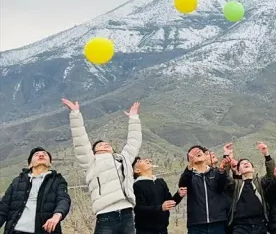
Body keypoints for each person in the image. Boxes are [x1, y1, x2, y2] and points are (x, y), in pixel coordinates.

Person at [63, 98, 141, 234]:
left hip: (127, 213)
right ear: (94, 151)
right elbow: (81, 141)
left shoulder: (123, 160)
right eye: (100, 144)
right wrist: (75, 115)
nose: (105, 144)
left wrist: (134, 118)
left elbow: (134, 142)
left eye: (107, 144)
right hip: (105, 215)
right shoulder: (91, 162)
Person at [0, 147, 71, 234]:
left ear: (50, 164)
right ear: (30, 164)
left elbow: (63, 199)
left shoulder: (58, 180)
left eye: (44, 154)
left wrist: (57, 215)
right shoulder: (18, 181)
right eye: (36, 155)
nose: (41, 155)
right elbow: (3, 208)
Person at [179, 144, 231, 234]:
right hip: (196, 225)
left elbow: (222, 187)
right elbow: (183, 184)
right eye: (193, 152)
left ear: (205, 155)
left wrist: (223, 170)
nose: (197, 152)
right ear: (189, 158)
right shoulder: (189, 175)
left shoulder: (215, 172)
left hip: (217, 223)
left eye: (199, 151)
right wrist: (190, 166)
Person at [224, 142, 275, 234]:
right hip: (240, 226)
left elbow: (271, 174)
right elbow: (225, 178)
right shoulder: (236, 184)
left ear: (253, 169)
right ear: (239, 171)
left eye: (247, 163)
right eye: (242, 164)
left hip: (260, 224)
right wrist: (226, 159)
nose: (245, 163)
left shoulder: (260, 182)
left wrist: (266, 154)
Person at [131, 156, 185, 234]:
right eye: (139, 161)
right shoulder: (136, 186)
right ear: (137, 170)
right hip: (145, 231)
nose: (146, 159)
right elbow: (139, 209)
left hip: (163, 229)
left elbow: (170, 202)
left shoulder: (160, 182)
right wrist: (160, 208)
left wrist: (178, 195)